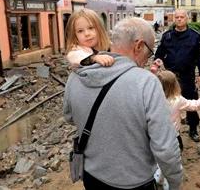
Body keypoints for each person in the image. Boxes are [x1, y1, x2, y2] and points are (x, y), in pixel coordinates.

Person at [63, 17, 183, 190]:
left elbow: (69, 116)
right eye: (149, 54)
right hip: (133, 182)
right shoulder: (147, 83)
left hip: (92, 176)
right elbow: (165, 148)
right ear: (139, 46)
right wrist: (174, 181)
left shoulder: (76, 75)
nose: (147, 61)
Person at [154, 70, 200, 189]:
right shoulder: (177, 100)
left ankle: (159, 177)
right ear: (174, 85)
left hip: (156, 137)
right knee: (174, 162)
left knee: (159, 159)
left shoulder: (152, 99)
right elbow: (194, 105)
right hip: (173, 138)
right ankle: (170, 184)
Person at [154, 9, 200, 142]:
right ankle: (168, 130)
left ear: (187, 19)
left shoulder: (194, 36)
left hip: (187, 76)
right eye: (176, 17)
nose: (179, 19)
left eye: (182, 17)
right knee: (168, 103)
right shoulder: (167, 36)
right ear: (174, 19)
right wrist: (158, 61)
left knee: (191, 102)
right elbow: (159, 54)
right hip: (170, 77)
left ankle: (193, 128)